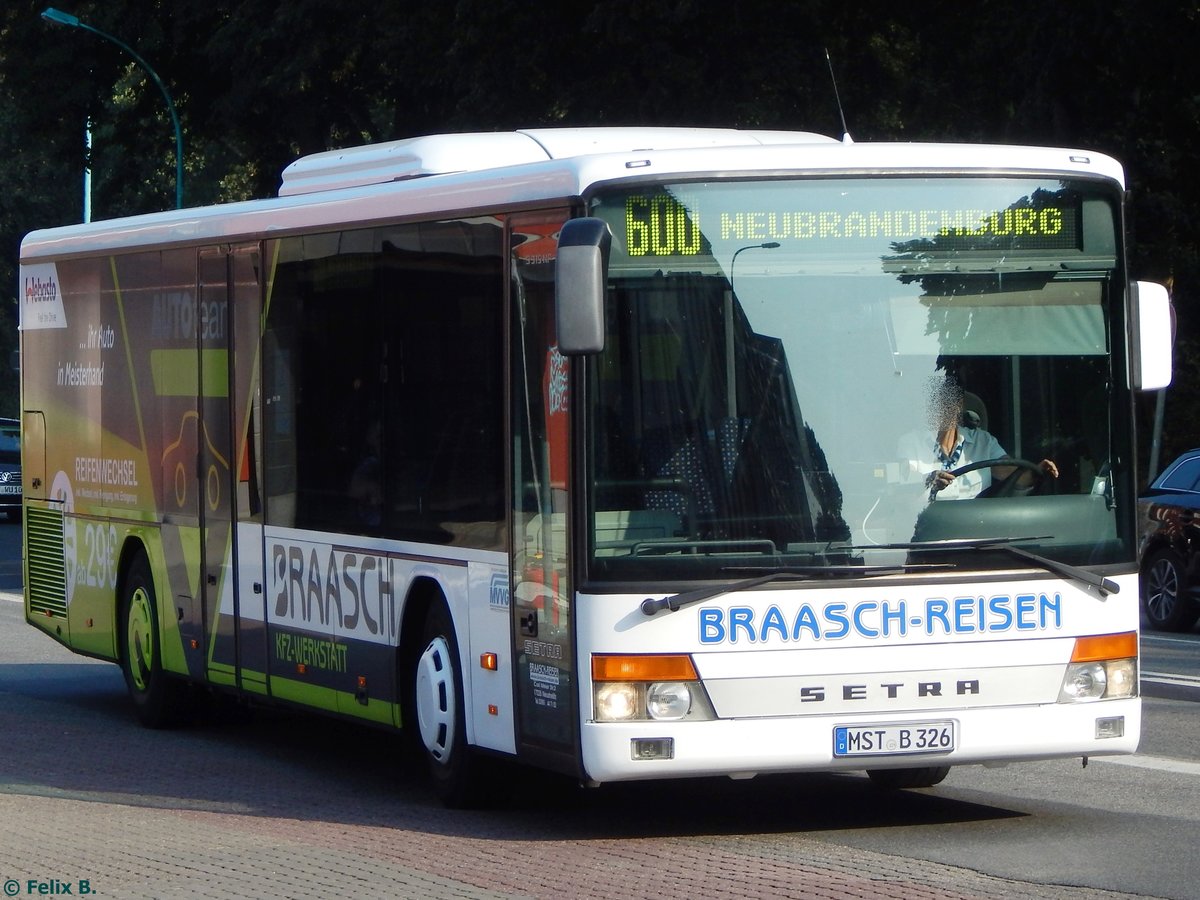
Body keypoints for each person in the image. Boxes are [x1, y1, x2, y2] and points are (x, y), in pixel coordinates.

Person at [898, 377, 1058, 500]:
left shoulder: (983, 441)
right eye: (939, 400)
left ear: (960, 404)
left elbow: (1013, 476)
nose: (946, 407)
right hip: (928, 533)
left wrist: (1036, 472)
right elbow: (904, 487)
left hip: (977, 533)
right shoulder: (910, 443)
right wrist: (929, 480)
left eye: (951, 400)